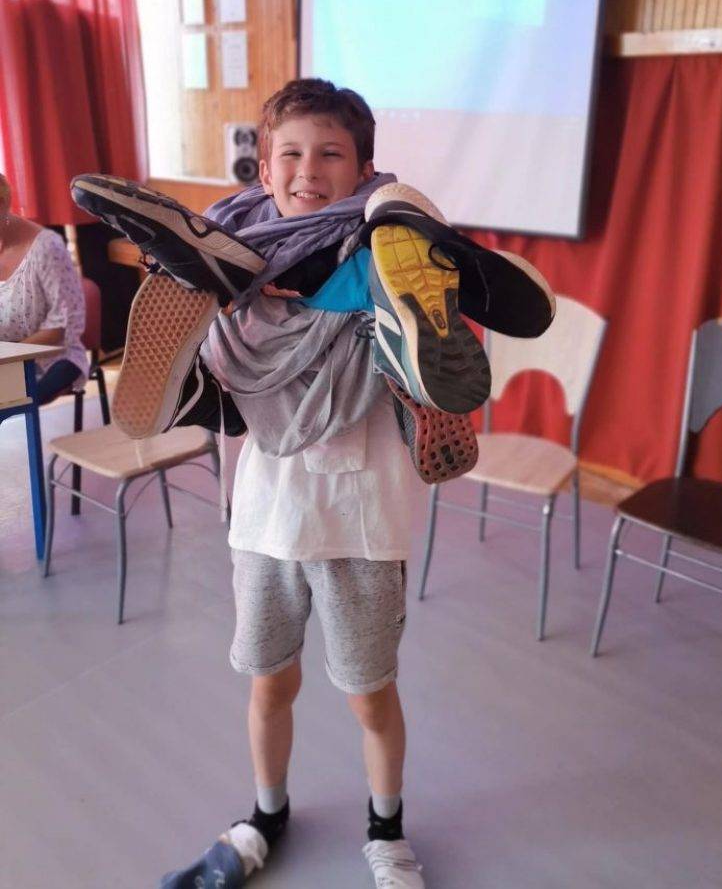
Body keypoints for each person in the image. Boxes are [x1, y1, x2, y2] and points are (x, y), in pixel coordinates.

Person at [71, 79, 555, 888]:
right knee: (269, 684)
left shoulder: (371, 228)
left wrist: (390, 232)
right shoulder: (248, 261)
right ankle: (265, 815)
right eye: (290, 155)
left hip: (360, 519)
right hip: (267, 517)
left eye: (331, 154)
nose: (308, 169)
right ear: (264, 171)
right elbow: (240, 405)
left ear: (360, 166)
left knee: (370, 696)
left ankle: (387, 833)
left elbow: (438, 382)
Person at [0, 173, 88, 405]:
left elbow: (60, 329)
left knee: (12, 398)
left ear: (2, 204)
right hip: (5, 360)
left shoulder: (47, 248)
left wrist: (8, 357)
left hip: (52, 358)